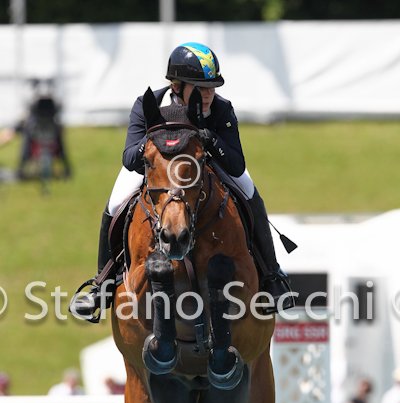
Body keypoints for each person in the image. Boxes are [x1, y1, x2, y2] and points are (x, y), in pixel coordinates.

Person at [71, 42, 295, 322]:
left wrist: (210, 139)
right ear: (177, 86)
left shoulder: (222, 109)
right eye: (201, 88)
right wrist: (151, 144)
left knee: (250, 193)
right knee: (115, 203)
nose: (208, 94)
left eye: (212, 87)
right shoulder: (148, 105)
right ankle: (102, 285)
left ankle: (272, 276)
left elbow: (236, 164)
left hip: (204, 167)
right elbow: (129, 158)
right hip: (157, 170)